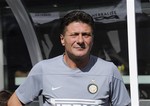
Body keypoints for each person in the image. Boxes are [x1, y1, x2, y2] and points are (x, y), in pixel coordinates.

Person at [7, 10, 131, 106]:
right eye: (74, 35)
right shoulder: (43, 69)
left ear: (92, 39)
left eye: (86, 35)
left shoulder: (109, 71)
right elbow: (14, 102)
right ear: (62, 39)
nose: (80, 40)